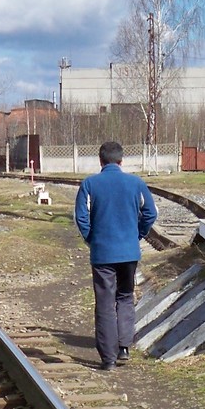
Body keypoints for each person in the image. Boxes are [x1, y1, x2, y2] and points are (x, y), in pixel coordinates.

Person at [74, 141, 157, 370]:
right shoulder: (136, 183)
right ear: (121, 161)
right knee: (125, 296)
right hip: (129, 252)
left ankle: (108, 358)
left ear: (100, 161)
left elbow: (81, 217)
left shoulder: (89, 184)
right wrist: (138, 234)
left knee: (104, 302)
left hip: (102, 253)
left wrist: (92, 239)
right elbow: (150, 213)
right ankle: (124, 347)